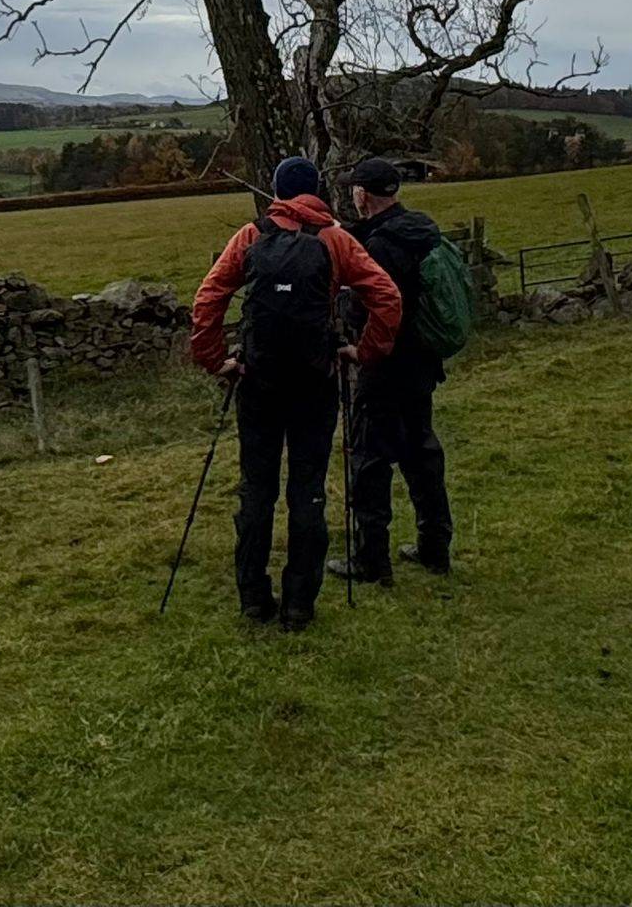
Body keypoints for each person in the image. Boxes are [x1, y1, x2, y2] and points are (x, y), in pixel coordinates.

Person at [191, 156, 402, 630]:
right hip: (315, 382)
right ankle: (299, 604)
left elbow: (208, 298)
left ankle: (253, 598)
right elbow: (387, 297)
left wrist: (215, 360)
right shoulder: (334, 240)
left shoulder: (252, 236)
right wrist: (363, 352)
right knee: (307, 490)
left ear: (276, 192)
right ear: (317, 191)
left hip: (258, 381)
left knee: (256, 489)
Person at [330, 156, 454, 585]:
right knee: (421, 453)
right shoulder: (420, 230)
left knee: (369, 458)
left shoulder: (379, 246)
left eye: (354, 188)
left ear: (362, 194)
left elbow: (369, 306)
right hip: (421, 362)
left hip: (384, 365)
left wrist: (355, 334)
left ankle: (371, 559)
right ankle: (435, 547)